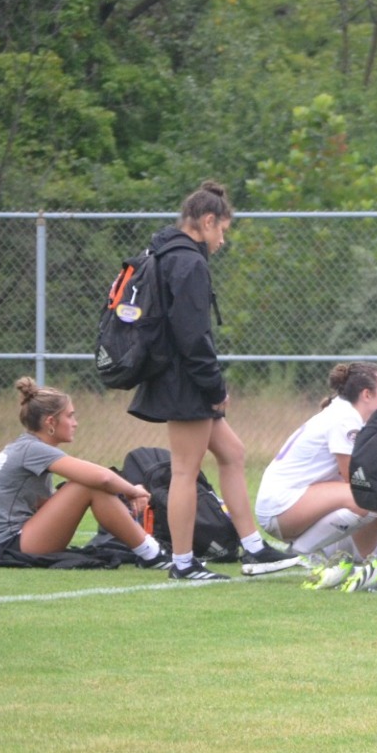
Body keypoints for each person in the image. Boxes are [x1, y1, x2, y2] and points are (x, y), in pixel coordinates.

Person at [128, 181, 299, 581]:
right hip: (184, 381)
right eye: (221, 230)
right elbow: (192, 336)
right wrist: (215, 386)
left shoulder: (164, 253)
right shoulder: (188, 262)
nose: (222, 240)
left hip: (179, 377)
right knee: (186, 471)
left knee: (233, 453)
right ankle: (184, 563)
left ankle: (254, 548)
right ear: (207, 221)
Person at [0, 378, 168, 568]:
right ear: (50, 422)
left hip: (4, 542)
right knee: (87, 485)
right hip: (8, 546)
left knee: (82, 486)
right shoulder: (33, 449)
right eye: (70, 416)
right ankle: (153, 555)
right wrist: (133, 491)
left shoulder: (26, 446)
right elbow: (102, 477)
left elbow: (36, 504)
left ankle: (151, 551)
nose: (75, 423)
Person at [255, 362, 377, 559]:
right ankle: (300, 553)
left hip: (290, 504)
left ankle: (368, 561)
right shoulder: (346, 417)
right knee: (371, 495)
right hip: (281, 507)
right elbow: (354, 478)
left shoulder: (344, 411)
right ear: (367, 395)